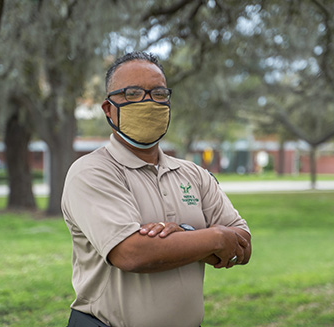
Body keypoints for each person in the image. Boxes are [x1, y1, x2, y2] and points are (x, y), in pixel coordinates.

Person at [62, 51, 252, 327]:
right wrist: (215, 239)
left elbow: (243, 244)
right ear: (107, 109)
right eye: (132, 94)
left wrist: (186, 233)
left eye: (159, 94)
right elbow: (131, 253)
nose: (148, 102)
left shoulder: (193, 174)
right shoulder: (92, 171)